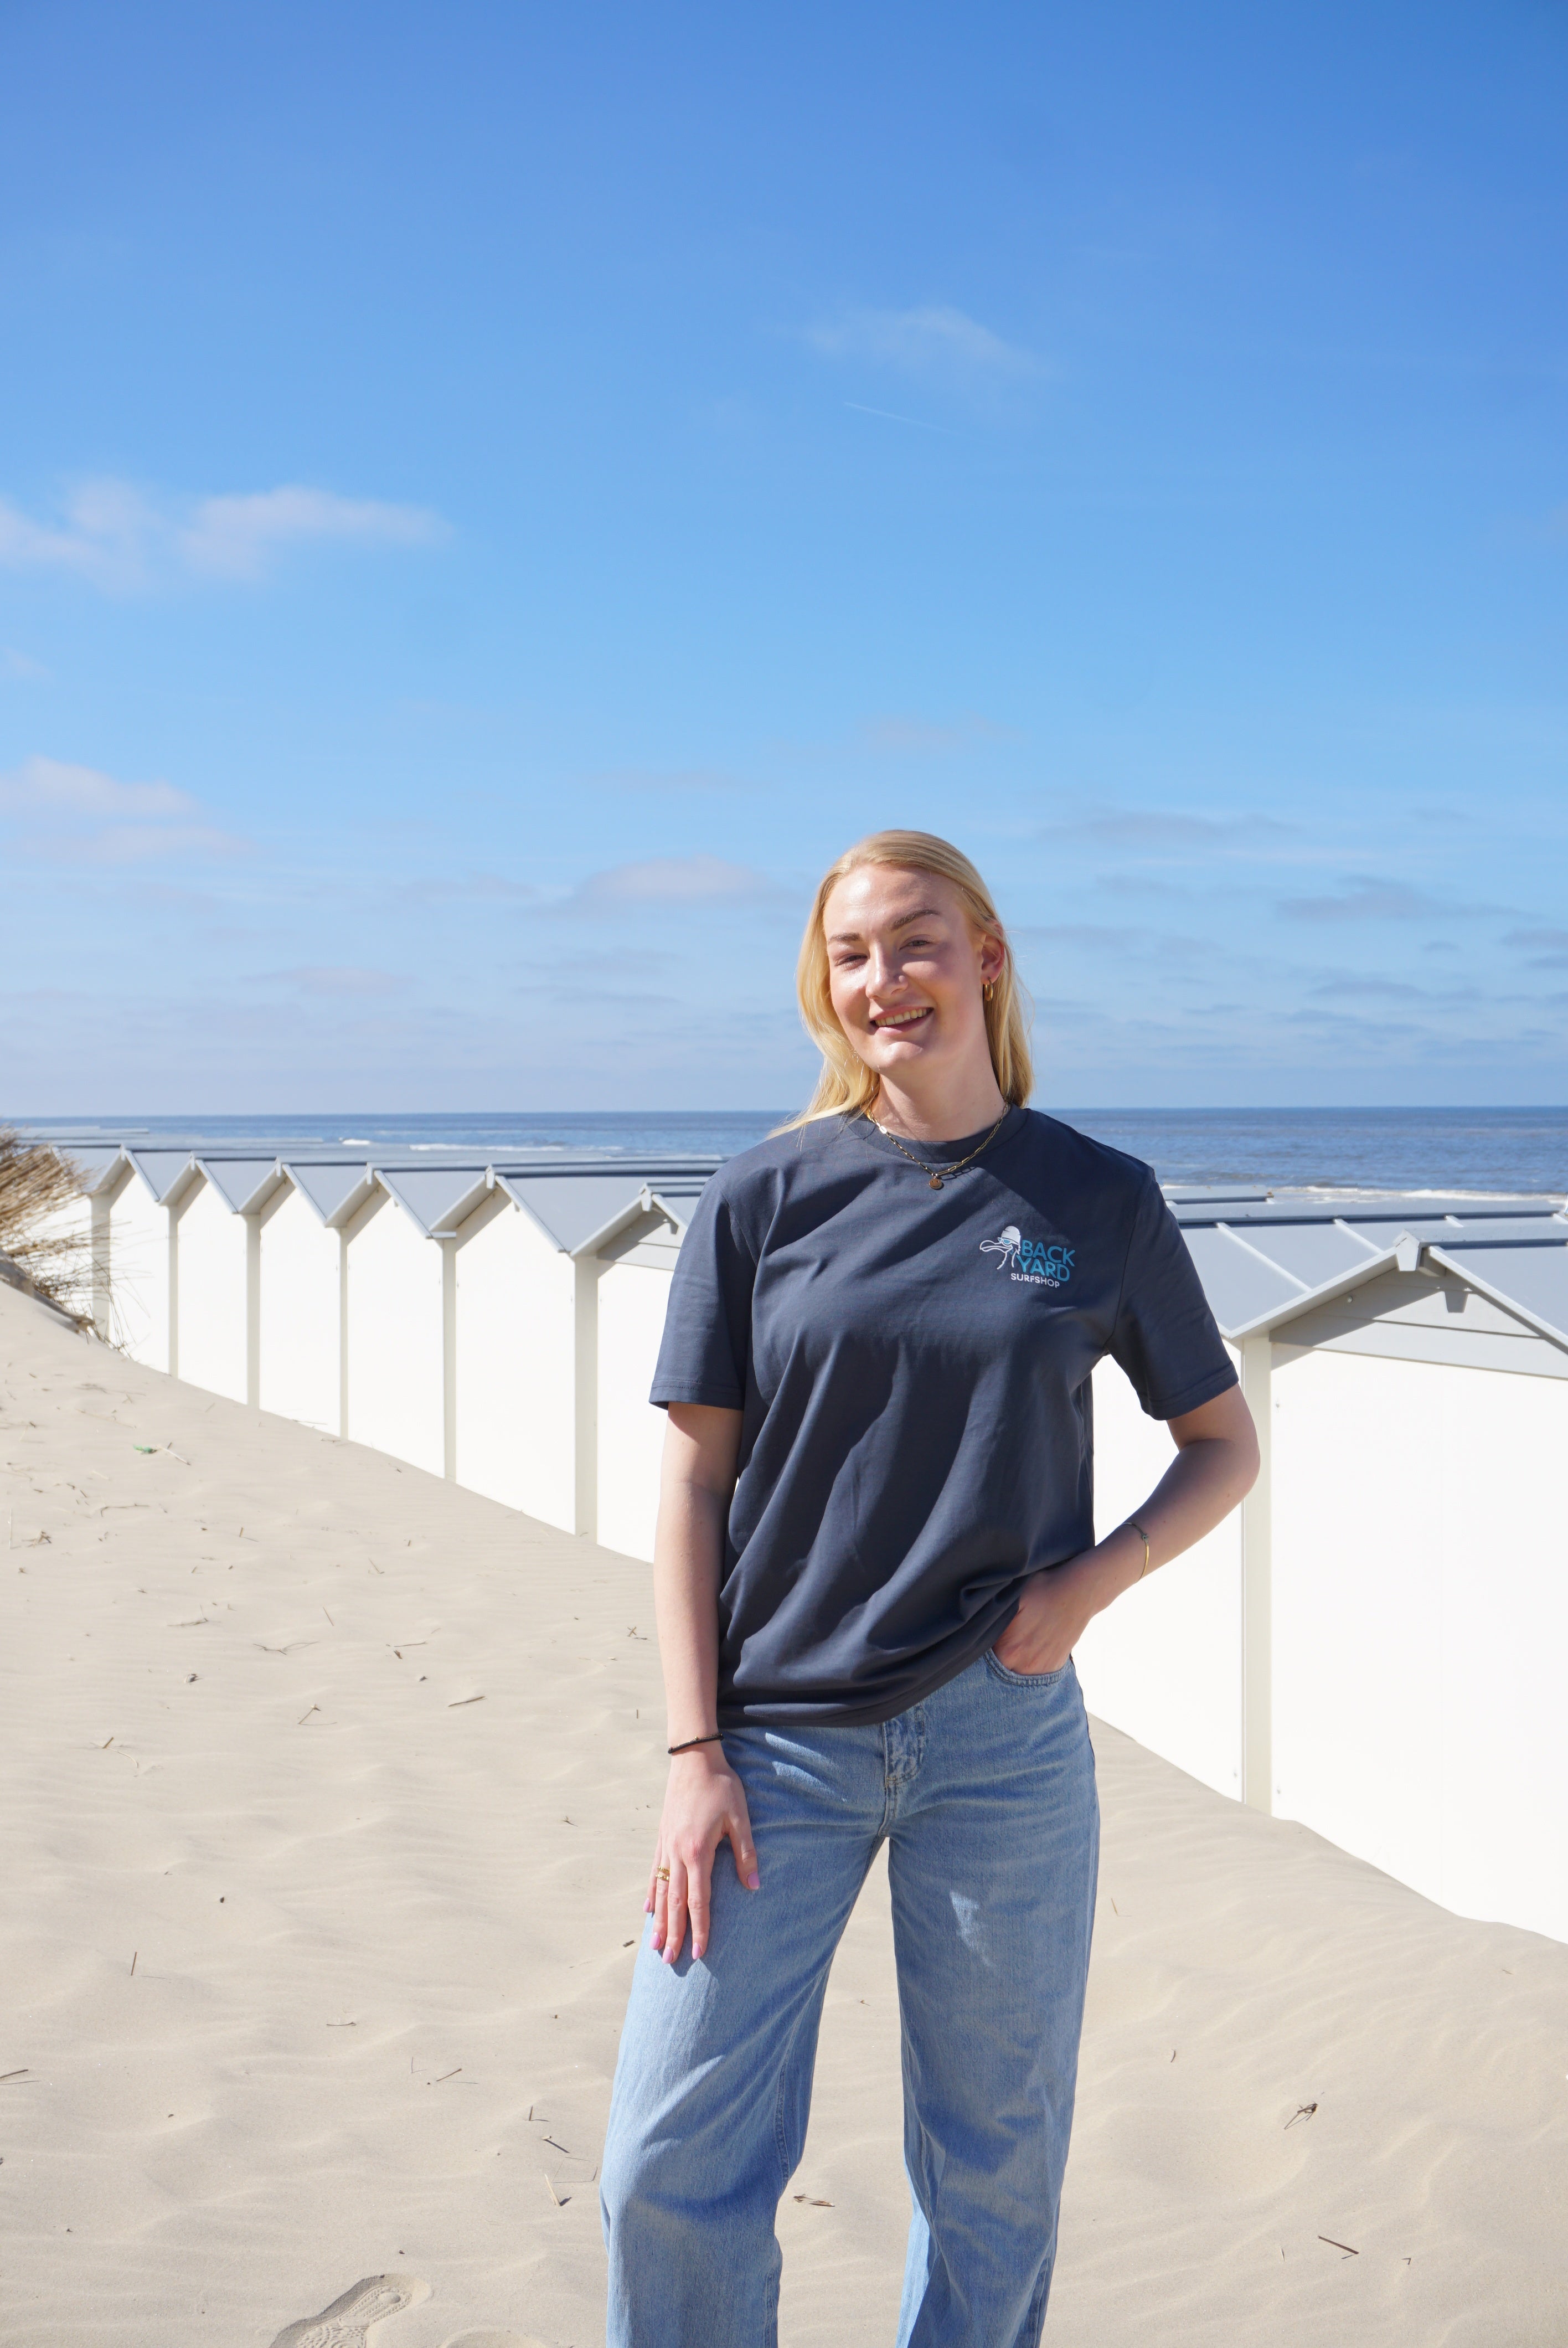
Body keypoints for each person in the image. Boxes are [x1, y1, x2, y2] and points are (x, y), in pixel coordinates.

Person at [600, 830, 1259, 2346]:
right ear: (824, 989)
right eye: (851, 955)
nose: (883, 979)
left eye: (915, 942)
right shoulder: (762, 1197)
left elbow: (1222, 1447)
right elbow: (693, 1488)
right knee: (664, 2164)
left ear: (987, 961)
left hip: (1002, 1744)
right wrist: (693, 1752)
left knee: (995, 2173)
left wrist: (1092, 1584)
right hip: (773, 1747)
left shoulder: (1098, 1199)